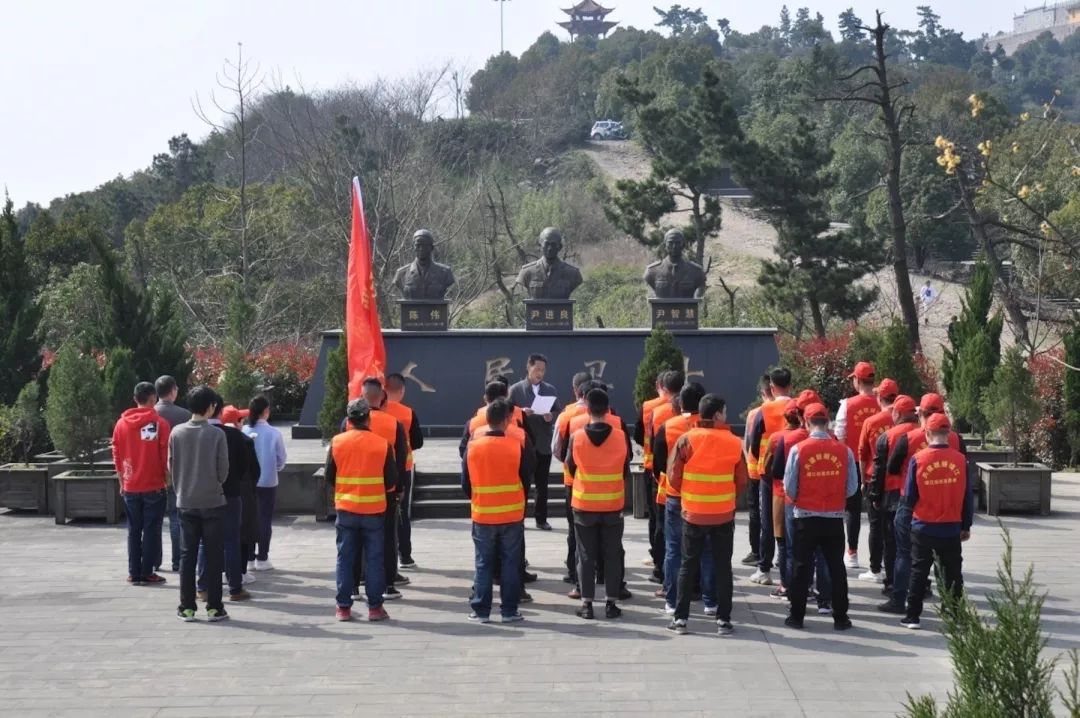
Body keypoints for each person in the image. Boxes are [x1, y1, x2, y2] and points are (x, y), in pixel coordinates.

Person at [665, 394, 747, 636]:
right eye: (724, 411)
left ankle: (680, 619)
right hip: (723, 514)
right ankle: (723, 620)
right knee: (723, 567)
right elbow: (741, 480)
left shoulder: (686, 440)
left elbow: (673, 476)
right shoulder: (733, 442)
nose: (726, 415)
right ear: (717, 415)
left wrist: (690, 494)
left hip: (693, 513)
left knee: (687, 565)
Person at [881, 393, 966, 614]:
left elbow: (891, 468)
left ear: (921, 415)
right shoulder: (956, 440)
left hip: (912, 506)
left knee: (906, 555)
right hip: (948, 508)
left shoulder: (908, 438)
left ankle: (900, 600)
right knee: (947, 562)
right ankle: (949, 605)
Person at [782, 403, 857, 630]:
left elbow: (789, 486)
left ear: (806, 422)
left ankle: (797, 616)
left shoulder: (799, 449)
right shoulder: (844, 451)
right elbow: (853, 487)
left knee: (801, 566)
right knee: (836, 567)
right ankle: (841, 618)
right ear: (828, 423)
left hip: (805, 515)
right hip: (833, 517)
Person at [325, 398, 396, 622]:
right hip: (374, 509)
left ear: (349, 419)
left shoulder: (337, 442)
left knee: (345, 557)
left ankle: (343, 607)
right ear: (368, 417)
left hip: (346, 508)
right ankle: (375, 607)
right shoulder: (382, 444)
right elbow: (391, 481)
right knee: (374, 558)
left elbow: (329, 476)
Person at [901, 413, 972, 630]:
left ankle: (912, 616)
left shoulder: (918, 459)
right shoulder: (961, 460)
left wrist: (906, 519)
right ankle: (956, 614)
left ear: (927, 433)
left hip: (923, 525)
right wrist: (965, 525)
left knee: (918, 571)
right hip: (951, 526)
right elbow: (967, 496)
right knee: (953, 573)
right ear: (948, 433)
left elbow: (910, 496)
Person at [461, 399, 529, 623]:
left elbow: (465, 483)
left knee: (483, 563)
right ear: (508, 420)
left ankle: (481, 611)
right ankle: (509, 610)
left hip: (483, 513)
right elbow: (526, 478)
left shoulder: (472, 447)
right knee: (510, 563)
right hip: (511, 514)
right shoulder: (515, 446)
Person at [565, 389, 630, 619]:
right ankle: (611, 603)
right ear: (608, 408)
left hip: (584, 504)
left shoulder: (577, 437)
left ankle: (587, 604)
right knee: (612, 554)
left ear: (588, 409)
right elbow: (625, 467)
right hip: (613, 504)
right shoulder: (621, 436)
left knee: (585, 555)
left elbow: (570, 467)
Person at [169, 386, 229, 623]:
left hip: (185, 500)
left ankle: (187, 607)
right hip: (213, 501)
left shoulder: (176, 433)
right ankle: (214, 607)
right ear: (212, 407)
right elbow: (223, 471)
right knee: (214, 556)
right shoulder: (217, 434)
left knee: (187, 556)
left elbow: (171, 467)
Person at [196, 395, 258, 603]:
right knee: (231, 540)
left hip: (204, 494)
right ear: (218, 410)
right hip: (231, 493)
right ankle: (234, 588)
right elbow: (243, 469)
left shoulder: (195, 433)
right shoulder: (235, 436)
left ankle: (203, 587)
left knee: (206, 541)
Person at [653, 382, 707, 615]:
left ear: (680, 403)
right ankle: (702, 591)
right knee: (702, 547)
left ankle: (671, 592)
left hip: (674, 494)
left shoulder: (668, 426)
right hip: (705, 496)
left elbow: (658, 465)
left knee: (673, 547)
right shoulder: (713, 428)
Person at [113, 381, 171, 586]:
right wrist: (167, 479)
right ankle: (147, 571)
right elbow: (165, 456)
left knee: (133, 530)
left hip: (130, 485)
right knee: (152, 529)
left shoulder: (121, 424)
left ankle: (133, 571)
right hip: (153, 485)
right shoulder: (160, 424)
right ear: (153, 398)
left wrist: (122, 481)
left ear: (135, 399)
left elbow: (117, 454)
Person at [355, 378, 408, 601]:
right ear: (381, 396)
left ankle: (357, 582)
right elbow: (401, 460)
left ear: (362, 395)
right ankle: (387, 584)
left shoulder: (347, 423)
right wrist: (400, 487)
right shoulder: (393, 423)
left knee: (355, 540)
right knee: (387, 537)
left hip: (354, 491)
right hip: (386, 490)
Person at [866, 395, 919, 601]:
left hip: (892, 494)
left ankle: (892, 584)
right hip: (918, 496)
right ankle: (918, 584)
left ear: (896, 413)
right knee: (915, 544)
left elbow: (880, 470)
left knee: (892, 544)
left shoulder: (888, 436)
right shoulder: (925, 435)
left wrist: (874, 495)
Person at [747, 368, 795, 585]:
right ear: (790, 386)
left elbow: (754, 444)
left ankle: (764, 568)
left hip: (768, 472)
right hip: (795, 469)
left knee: (767, 520)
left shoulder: (763, 411)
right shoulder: (798, 407)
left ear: (772, 388)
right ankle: (791, 564)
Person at [834, 362, 881, 570]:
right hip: (878, 465)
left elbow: (839, 435)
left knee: (852, 510)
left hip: (853, 461)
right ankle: (879, 557)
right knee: (877, 514)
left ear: (858, 381)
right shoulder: (884, 403)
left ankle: (851, 553)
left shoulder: (847, 405)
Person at [551, 371, 595, 589]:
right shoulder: (611, 415)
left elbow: (557, 449)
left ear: (575, 390)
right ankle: (601, 572)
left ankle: (573, 570)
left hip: (573, 481)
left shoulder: (566, 415)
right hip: (607, 486)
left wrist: (570, 463)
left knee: (575, 529)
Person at [508, 354, 562, 531]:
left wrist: (551, 416)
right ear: (528, 368)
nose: (540, 373)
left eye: (543, 370)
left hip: (543, 443)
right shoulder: (516, 390)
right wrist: (521, 412)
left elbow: (557, 411)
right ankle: (519, 517)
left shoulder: (550, 390)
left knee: (542, 485)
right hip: (523, 444)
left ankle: (541, 519)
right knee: (522, 483)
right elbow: (507, 413)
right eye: (537, 369)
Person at [855, 378, 900, 584]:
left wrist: (864, 480)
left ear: (879, 398)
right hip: (900, 482)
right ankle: (896, 567)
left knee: (876, 525)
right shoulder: (906, 422)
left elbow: (863, 455)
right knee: (897, 528)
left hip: (876, 479)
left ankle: (875, 569)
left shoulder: (871, 422)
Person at [760, 399, 805, 597]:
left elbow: (766, 469)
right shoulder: (808, 436)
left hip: (780, 495)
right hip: (807, 496)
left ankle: (785, 585)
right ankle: (805, 585)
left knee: (784, 544)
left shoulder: (777, 438)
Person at [634, 370, 675, 582]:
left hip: (655, 467)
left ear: (661, 386)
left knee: (657, 517)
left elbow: (639, 435)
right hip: (684, 473)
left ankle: (658, 560)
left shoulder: (650, 407)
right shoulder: (688, 408)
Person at [645, 370, 685, 590]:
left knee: (661, 525)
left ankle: (660, 569)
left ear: (662, 386)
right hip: (692, 485)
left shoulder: (653, 410)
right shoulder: (699, 418)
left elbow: (646, 439)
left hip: (661, 477)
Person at [384, 372, 425, 570]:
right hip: (403, 469)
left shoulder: (373, 414)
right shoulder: (408, 413)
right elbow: (417, 442)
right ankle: (405, 556)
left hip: (375, 471)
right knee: (401, 513)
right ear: (402, 390)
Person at [242, 396, 287, 571]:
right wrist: (275, 468)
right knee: (264, 519)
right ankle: (263, 557)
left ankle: (248, 557)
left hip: (247, 482)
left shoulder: (244, 431)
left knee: (247, 519)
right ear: (266, 411)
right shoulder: (274, 433)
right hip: (268, 480)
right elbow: (281, 458)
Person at [154, 375, 191, 573]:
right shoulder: (184, 415)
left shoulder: (150, 415)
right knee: (176, 519)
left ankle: (154, 561)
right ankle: (178, 561)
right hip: (177, 473)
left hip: (153, 474)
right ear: (173, 391)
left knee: (155, 520)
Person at [223, 405, 259, 587]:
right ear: (237, 422)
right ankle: (241, 572)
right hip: (241, 492)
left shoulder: (214, 435)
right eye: (241, 419)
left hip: (216, 492)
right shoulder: (244, 440)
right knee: (243, 534)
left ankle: (222, 571)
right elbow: (254, 470)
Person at [740, 374, 772, 566]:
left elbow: (748, 443)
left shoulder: (755, 414)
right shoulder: (788, 409)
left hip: (755, 469)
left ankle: (756, 551)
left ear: (762, 393)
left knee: (756, 513)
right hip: (778, 471)